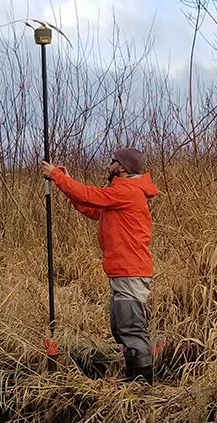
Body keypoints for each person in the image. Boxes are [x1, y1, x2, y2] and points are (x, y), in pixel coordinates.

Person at [41, 148, 160, 384]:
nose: (109, 165)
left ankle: (143, 385)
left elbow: (90, 195)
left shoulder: (128, 191)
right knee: (121, 327)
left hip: (130, 271)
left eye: (113, 162)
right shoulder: (120, 193)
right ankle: (133, 377)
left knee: (131, 328)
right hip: (122, 271)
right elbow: (92, 208)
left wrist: (58, 176)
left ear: (123, 168)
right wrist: (65, 183)